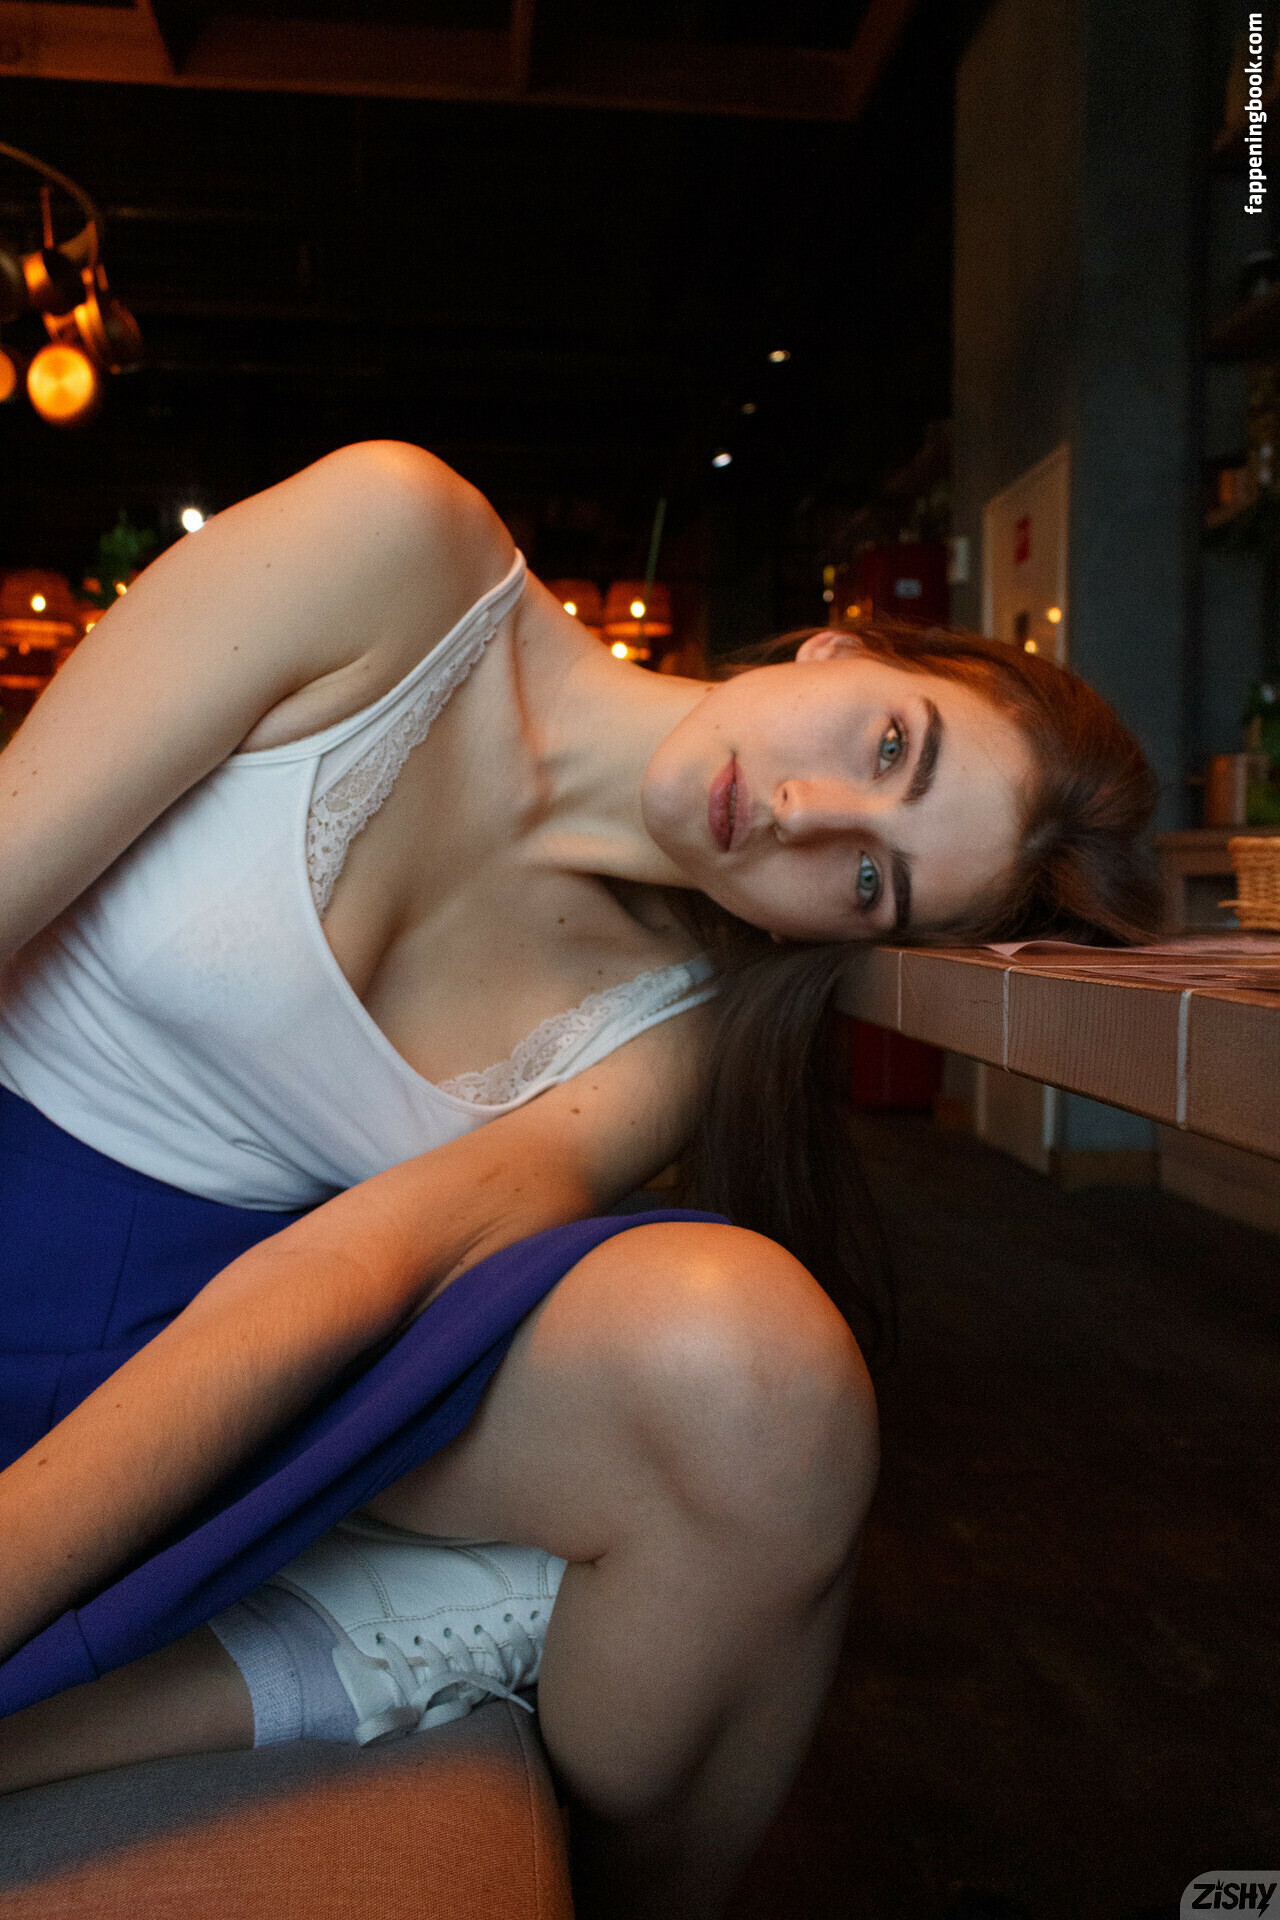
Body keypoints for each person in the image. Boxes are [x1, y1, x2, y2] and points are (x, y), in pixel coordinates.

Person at [0, 443, 1160, 1917]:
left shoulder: (678, 1017)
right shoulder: (394, 543)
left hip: (175, 1369)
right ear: (844, 644)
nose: (806, 814)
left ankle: (325, 1643)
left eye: (873, 881)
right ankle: (355, 1640)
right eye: (888, 746)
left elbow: (354, 1267)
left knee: (757, 1374)